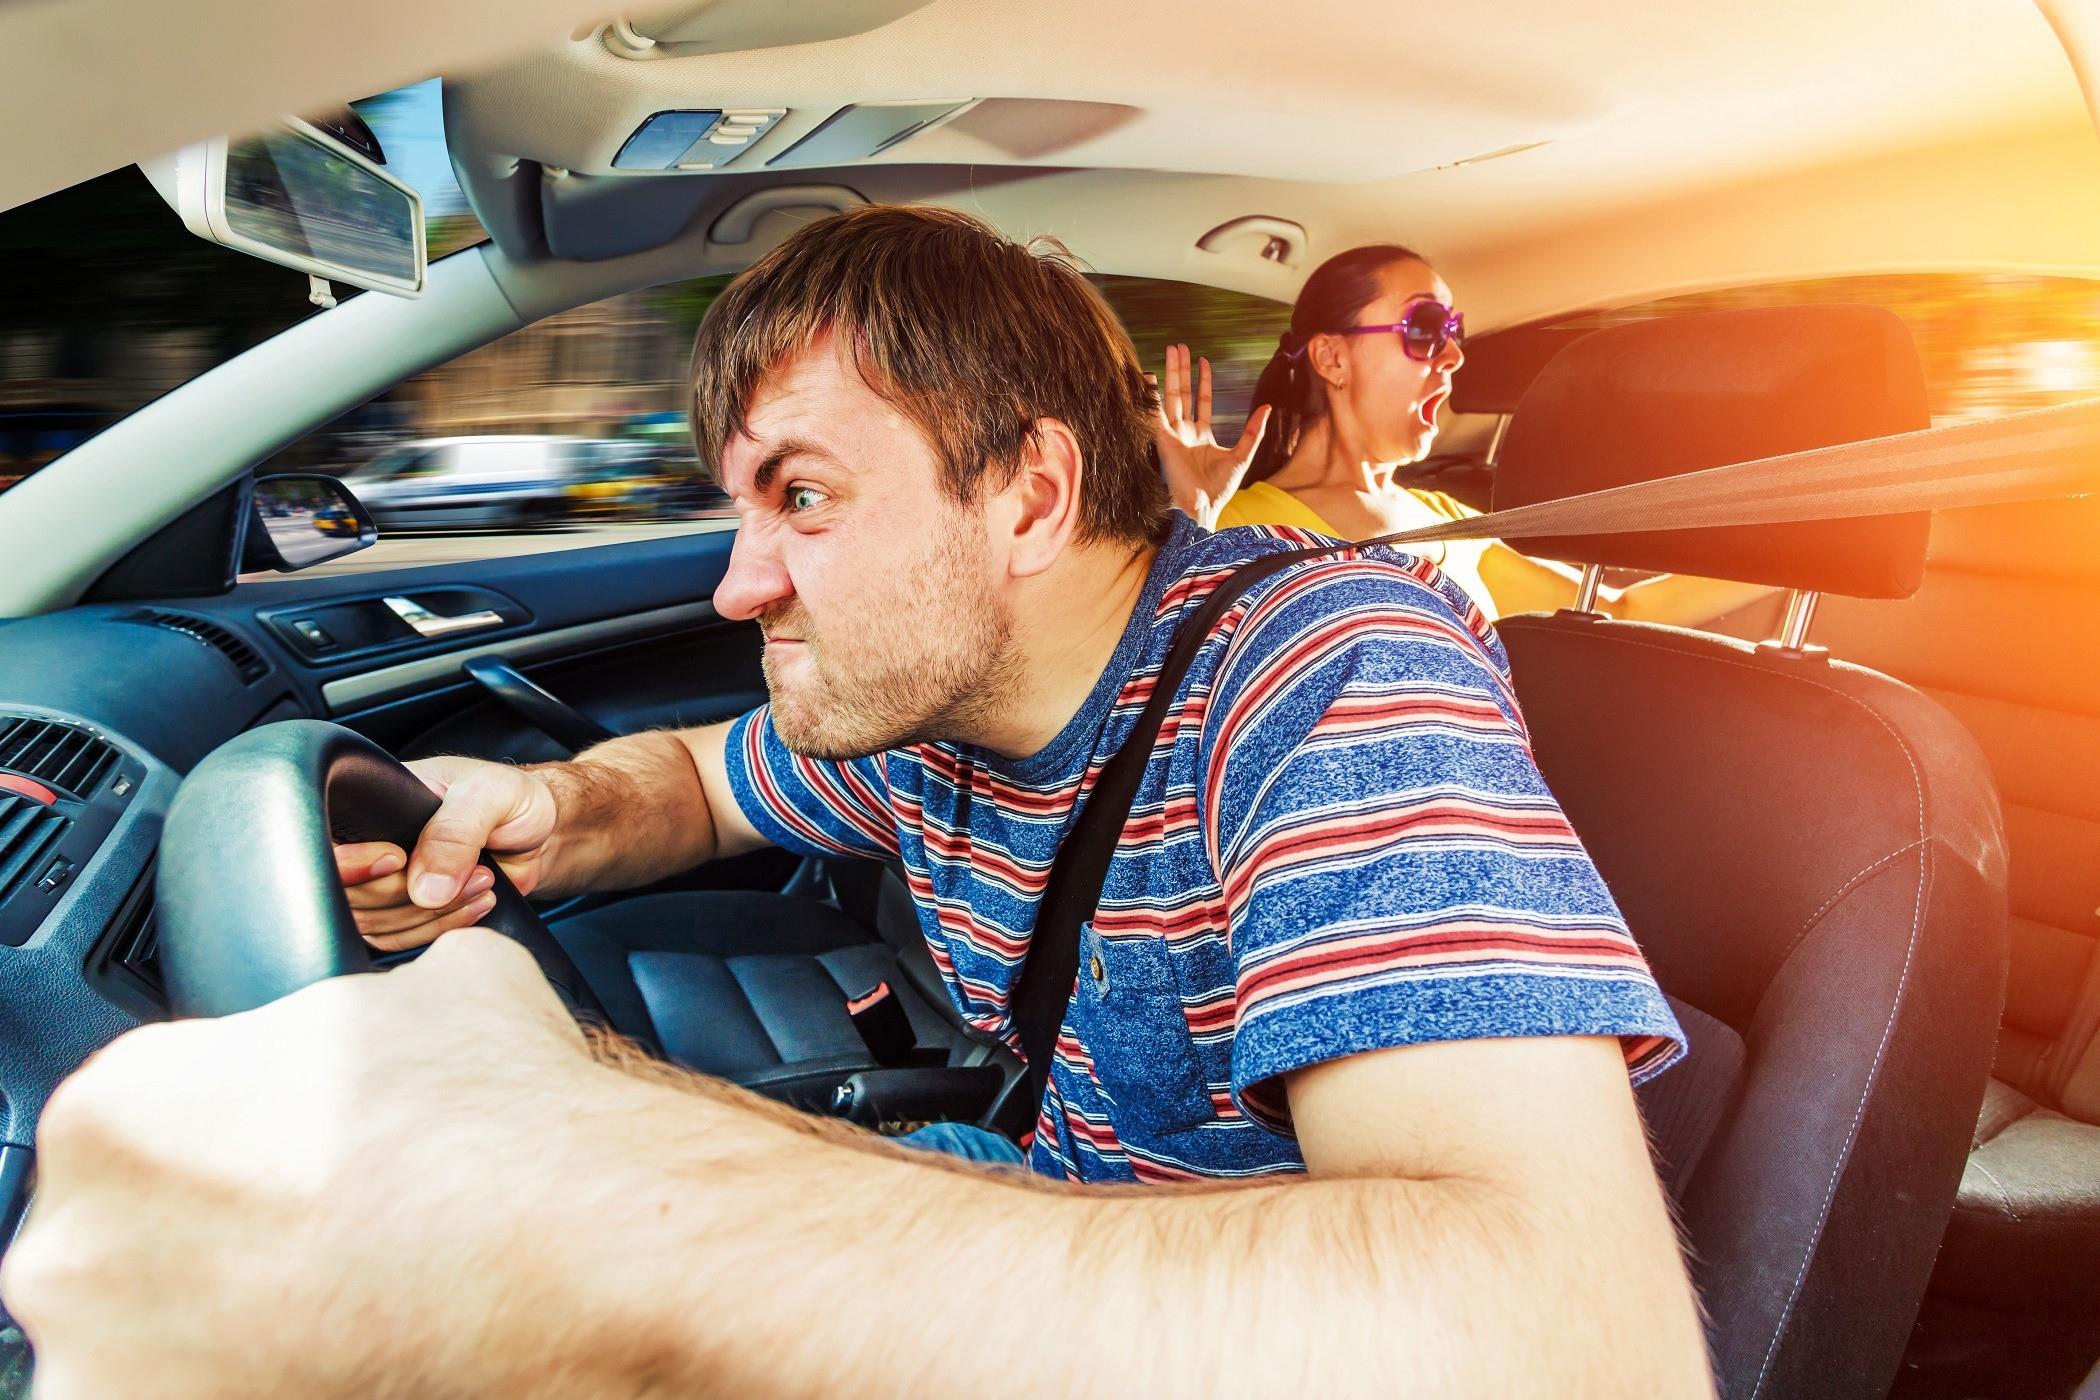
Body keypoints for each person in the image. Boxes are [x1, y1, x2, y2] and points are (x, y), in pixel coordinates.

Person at [3, 206, 1714, 1397]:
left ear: (1031, 492)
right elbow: (693, 779)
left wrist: (572, 1215)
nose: (743, 584)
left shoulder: (1333, 674)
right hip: (1019, 1193)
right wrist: (541, 808)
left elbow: (1567, 1345)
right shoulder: (942, 702)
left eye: (804, 496)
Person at [1153, 243, 1774, 624]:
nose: (1451, 355)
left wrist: (1802, 537)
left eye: (1453, 333)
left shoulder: (1454, 522)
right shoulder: (1230, 522)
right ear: (1332, 359)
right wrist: (1188, 523)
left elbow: (1616, 611)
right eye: (1424, 328)